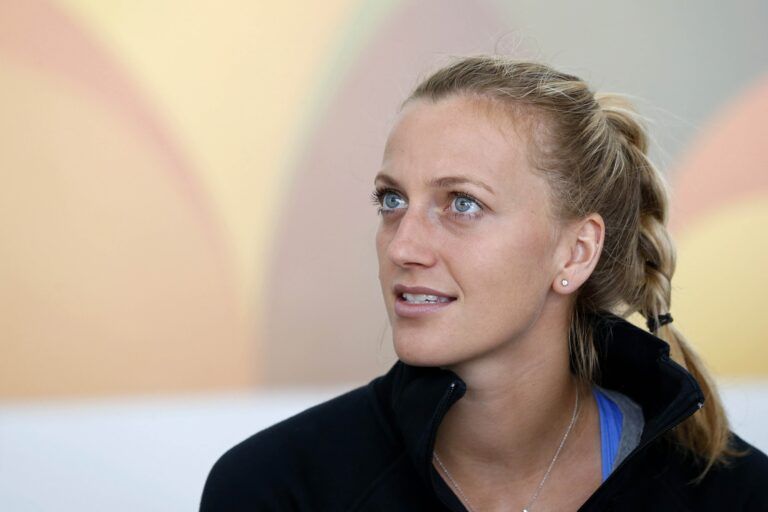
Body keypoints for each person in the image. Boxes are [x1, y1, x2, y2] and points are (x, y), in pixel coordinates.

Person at [200, 56, 768, 511]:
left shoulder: (735, 495)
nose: (402, 246)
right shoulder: (275, 488)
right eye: (392, 200)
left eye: (463, 203)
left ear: (576, 250)